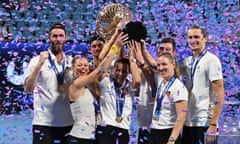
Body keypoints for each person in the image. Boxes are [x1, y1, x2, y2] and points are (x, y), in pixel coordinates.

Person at [66, 30, 128, 144]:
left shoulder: (88, 85)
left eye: (85, 65)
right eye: (79, 65)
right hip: (79, 136)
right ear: (73, 68)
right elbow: (100, 70)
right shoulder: (76, 84)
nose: (83, 68)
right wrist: (116, 46)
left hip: (92, 135)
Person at [24, 23, 73, 144]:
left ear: (65, 38)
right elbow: (28, 89)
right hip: (43, 123)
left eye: (61, 36)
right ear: (49, 38)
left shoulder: (72, 62)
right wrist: (40, 64)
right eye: (55, 36)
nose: (58, 39)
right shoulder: (36, 61)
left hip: (69, 123)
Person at [180, 25, 225, 144]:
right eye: (190, 37)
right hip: (189, 122)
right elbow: (165, 70)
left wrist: (213, 123)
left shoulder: (211, 60)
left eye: (196, 37)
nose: (193, 40)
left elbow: (219, 93)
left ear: (204, 38)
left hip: (205, 122)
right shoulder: (186, 62)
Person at [95, 40, 141, 144]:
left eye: (124, 71)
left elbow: (137, 80)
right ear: (113, 69)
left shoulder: (130, 87)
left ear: (128, 73)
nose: (120, 74)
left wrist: (132, 58)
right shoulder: (106, 82)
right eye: (117, 70)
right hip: (105, 129)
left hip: (123, 130)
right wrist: (116, 47)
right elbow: (101, 69)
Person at [134, 38, 177, 144]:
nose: (163, 51)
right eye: (161, 48)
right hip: (146, 124)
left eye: (167, 49)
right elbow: (151, 83)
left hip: (165, 128)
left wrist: (144, 51)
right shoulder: (151, 69)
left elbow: (156, 67)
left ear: (173, 53)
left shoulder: (173, 71)